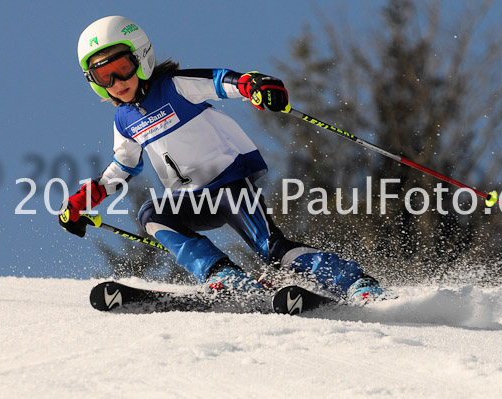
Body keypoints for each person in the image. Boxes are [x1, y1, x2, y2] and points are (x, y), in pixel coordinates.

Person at [59, 15, 382, 301]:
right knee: (153, 214)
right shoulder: (124, 120)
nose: (117, 83)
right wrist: (86, 198)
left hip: (230, 186)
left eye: (122, 69)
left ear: (141, 58)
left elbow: (223, 81)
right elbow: (125, 165)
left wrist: (255, 86)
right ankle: (222, 275)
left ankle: (356, 282)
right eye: (104, 77)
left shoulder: (175, 87)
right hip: (192, 199)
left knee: (271, 250)